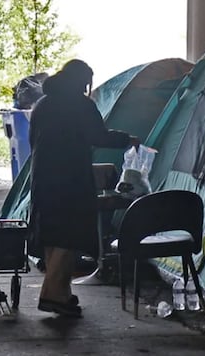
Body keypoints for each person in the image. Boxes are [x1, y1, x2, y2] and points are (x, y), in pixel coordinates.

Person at [28, 59, 139, 317]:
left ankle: (63, 294)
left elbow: (34, 139)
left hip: (43, 176)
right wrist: (126, 139)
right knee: (69, 236)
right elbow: (97, 136)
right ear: (82, 81)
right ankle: (53, 295)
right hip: (70, 180)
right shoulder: (80, 104)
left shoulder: (42, 104)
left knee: (52, 235)